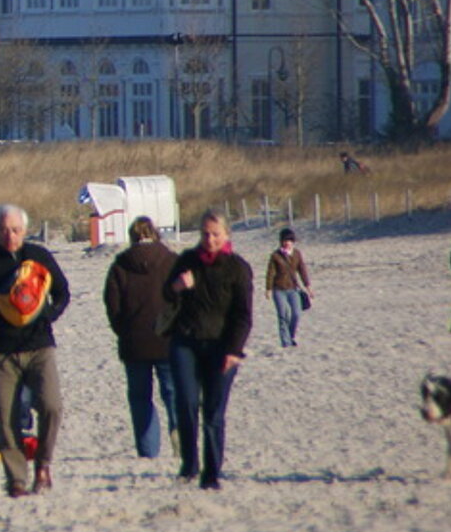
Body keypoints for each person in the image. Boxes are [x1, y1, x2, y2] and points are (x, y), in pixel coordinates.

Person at [0, 203, 71, 497]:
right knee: (7, 419)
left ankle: (43, 464)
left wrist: (48, 315)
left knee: (51, 406)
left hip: (39, 347)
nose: (11, 235)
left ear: (25, 230)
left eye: (16, 230)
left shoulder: (39, 256)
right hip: (1, 352)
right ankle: (17, 480)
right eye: (4, 230)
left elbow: (62, 292)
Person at [167, 209, 254, 491]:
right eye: (205, 233)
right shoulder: (187, 260)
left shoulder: (238, 268)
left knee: (214, 413)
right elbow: (164, 295)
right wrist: (178, 286)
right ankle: (189, 464)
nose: (210, 239)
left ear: (226, 235)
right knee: (187, 403)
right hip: (186, 342)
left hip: (222, 346)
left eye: (215, 234)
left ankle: (212, 473)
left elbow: (243, 316)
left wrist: (233, 350)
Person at [103, 216, 179, 458]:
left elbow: (112, 304)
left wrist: (123, 330)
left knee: (140, 398)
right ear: (155, 233)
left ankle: (148, 451)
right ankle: (180, 432)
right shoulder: (172, 262)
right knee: (173, 393)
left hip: (134, 341)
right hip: (168, 339)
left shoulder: (120, 265)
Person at [264, 227, 313, 349]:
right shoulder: (275, 256)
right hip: (278, 290)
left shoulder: (297, 254)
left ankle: (290, 337)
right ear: (281, 241)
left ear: (293, 241)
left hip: (293, 289)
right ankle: (286, 343)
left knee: (296, 314)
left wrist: (308, 287)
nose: (287, 243)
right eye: (285, 240)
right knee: (283, 315)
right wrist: (268, 289)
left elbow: (302, 270)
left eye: (290, 240)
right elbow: (270, 273)